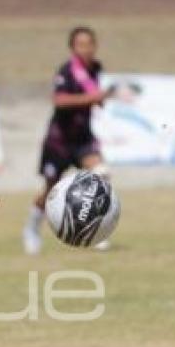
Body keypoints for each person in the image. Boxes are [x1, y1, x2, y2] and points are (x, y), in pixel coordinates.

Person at [23, 26, 114, 255]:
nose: (86, 49)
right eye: (80, 45)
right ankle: (32, 229)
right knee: (50, 190)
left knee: (100, 176)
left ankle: (97, 231)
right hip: (59, 141)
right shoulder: (67, 71)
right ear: (73, 48)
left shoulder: (95, 69)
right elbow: (59, 100)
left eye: (89, 44)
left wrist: (100, 99)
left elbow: (95, 96)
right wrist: (93, 98)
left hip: (83, 138)